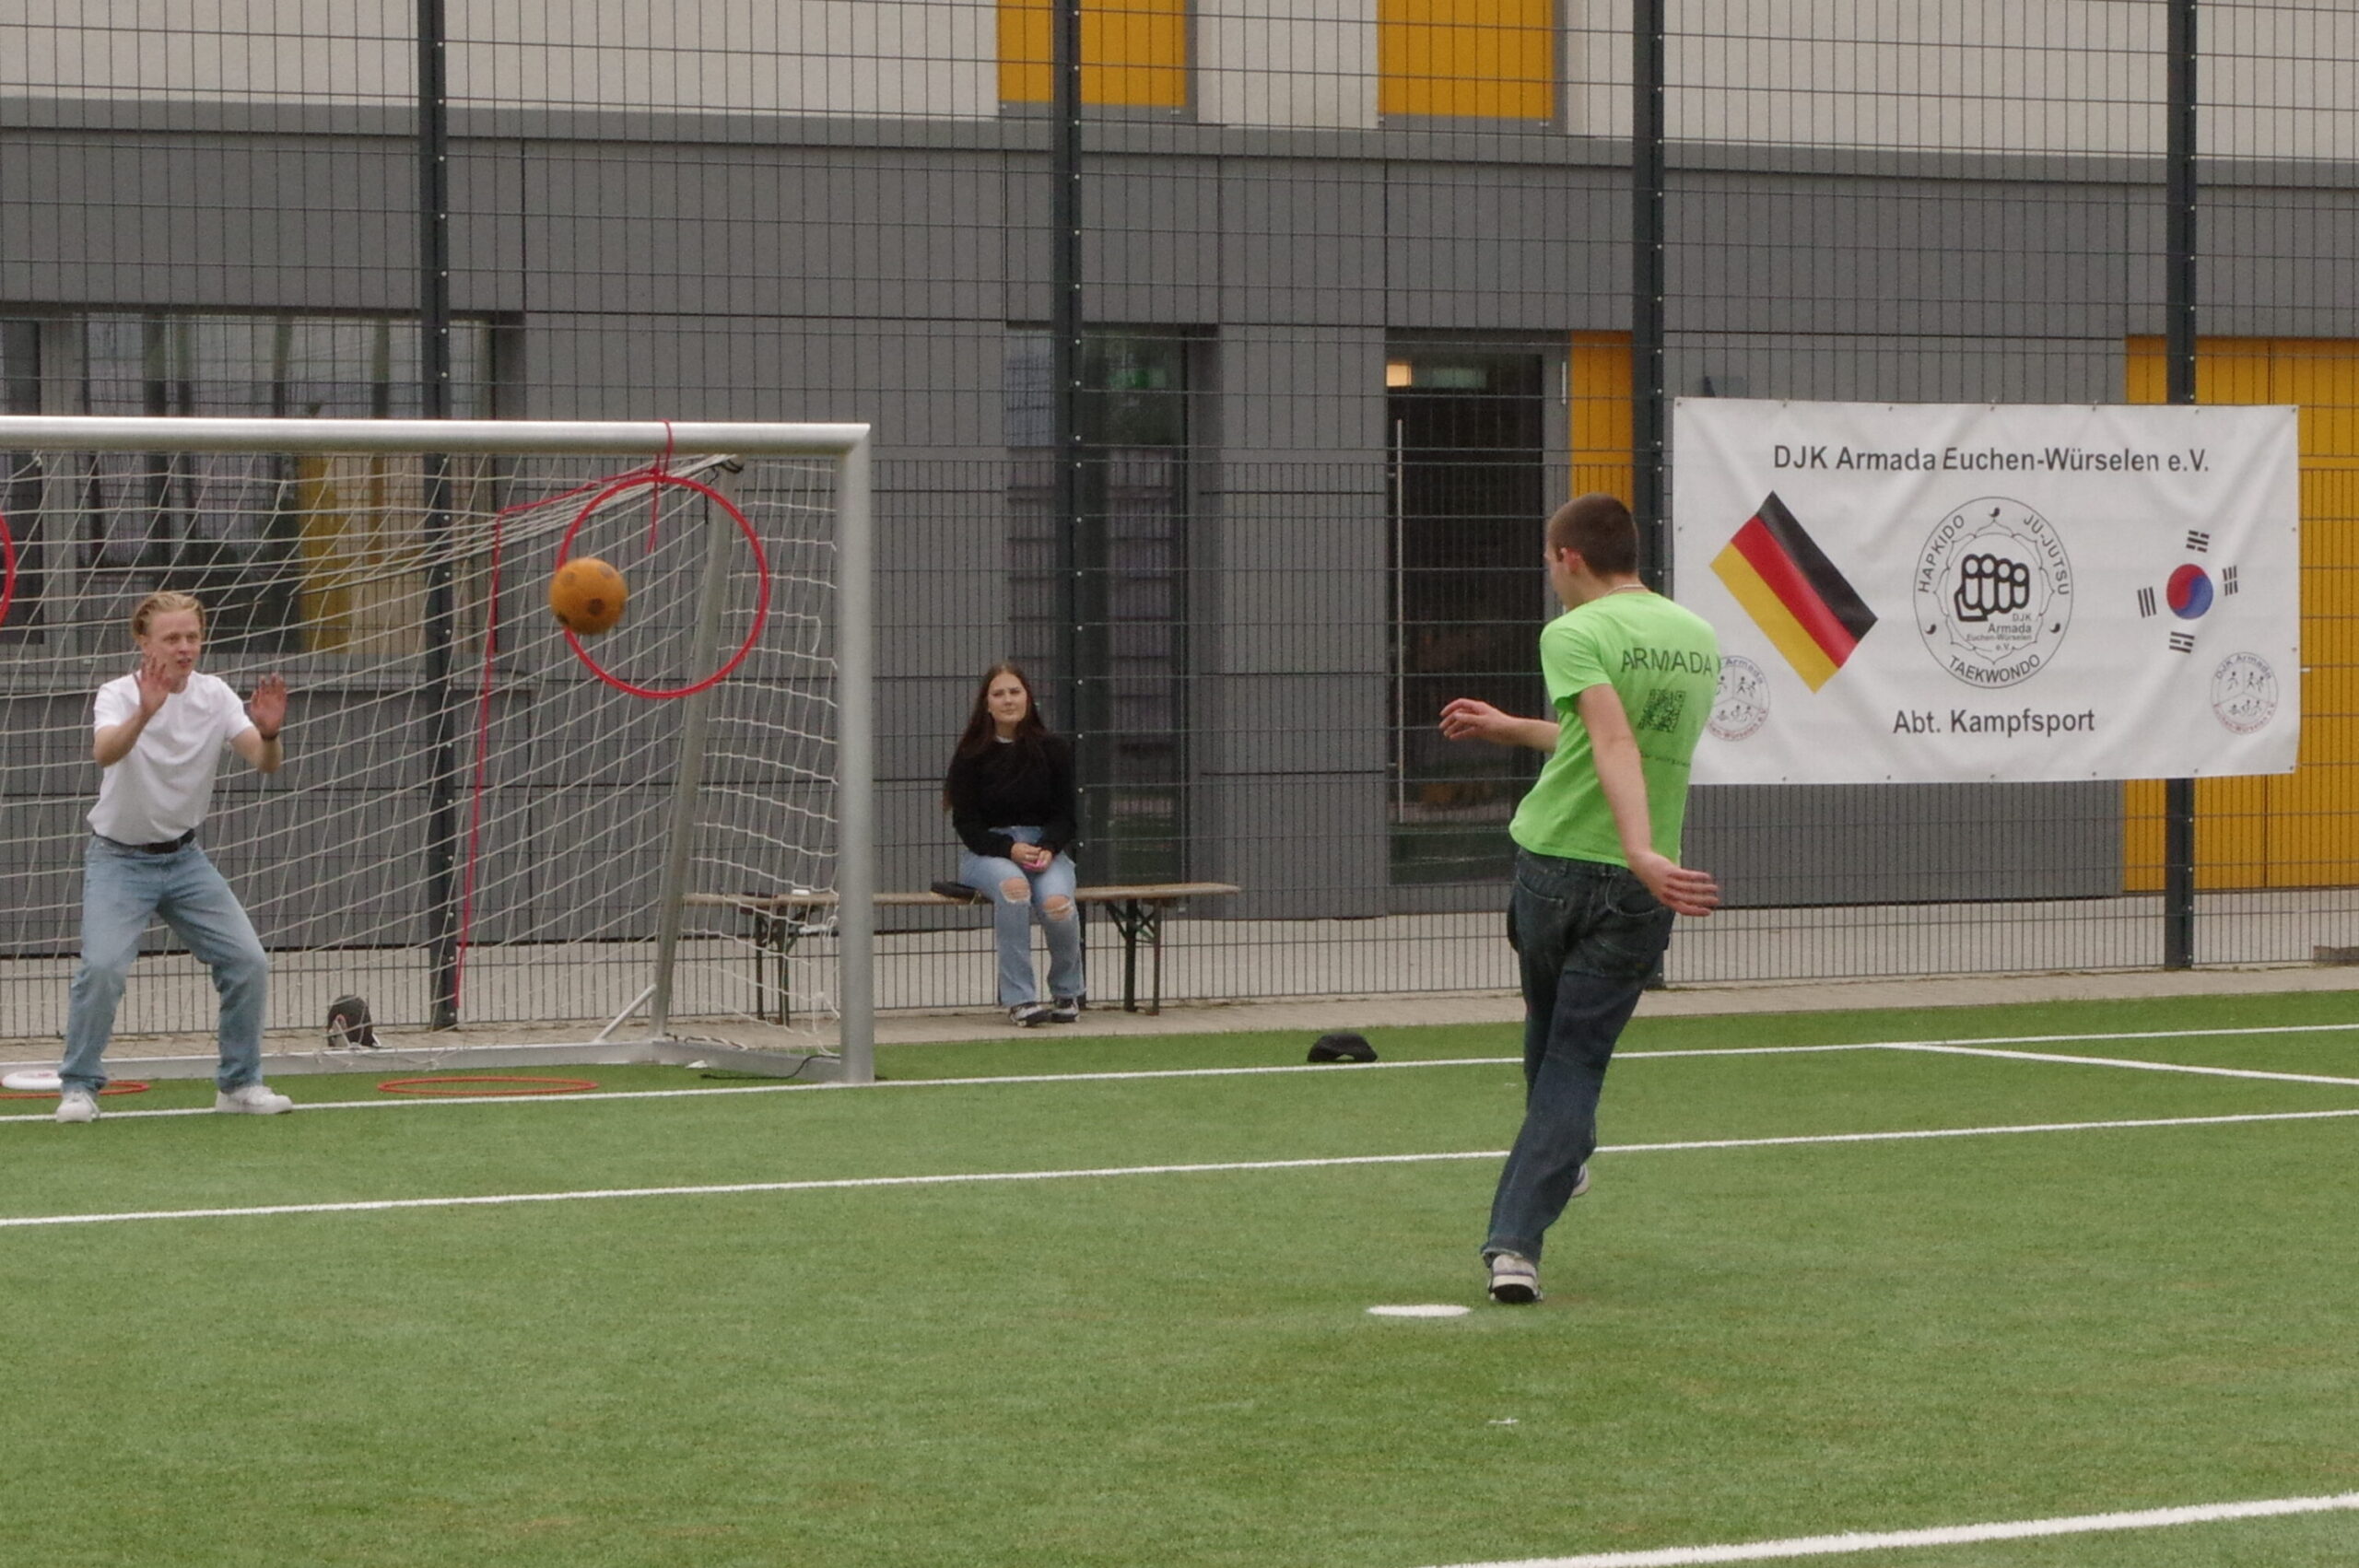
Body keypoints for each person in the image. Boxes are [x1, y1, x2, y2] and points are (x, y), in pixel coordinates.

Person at [1439, 494, 1721, 1304]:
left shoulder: (1572, 632)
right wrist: (1512, 728)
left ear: (1568, 557)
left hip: (1562, 863)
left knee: (1557, 1049)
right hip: (1642, 885)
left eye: (1547, 561)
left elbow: (1613, 739)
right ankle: (1563, 1152)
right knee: (1569, 1051)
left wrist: (1634, 852)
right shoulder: (1695, 636)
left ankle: (1514, 1245)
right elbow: (1611, 734)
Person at [56, 591, 295, 1123]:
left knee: (247, 962)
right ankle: (78, 1087)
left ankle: (239, 1084)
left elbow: (264, 762)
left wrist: (271, 731)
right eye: (172, 638)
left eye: (192, 636)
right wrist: (146, 713)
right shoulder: (117, 694)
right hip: (119, 859)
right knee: (102, 969)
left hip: (184, 861)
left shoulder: (214, 695)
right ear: (144, 642)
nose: (185, 648)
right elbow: (105, 753)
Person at [943, 662, 1086, 1026]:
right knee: (1014, 888)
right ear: (986, 704)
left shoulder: (1054, 749)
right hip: (988, 854)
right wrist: (1009, 849)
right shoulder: (970, 755)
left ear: (1028, 698)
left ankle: (1067, 992)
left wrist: (1049, 846)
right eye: (999, 693)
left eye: (1015, 692)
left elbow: (1067, 816)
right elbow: (967, 825)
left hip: (1044, 848)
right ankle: (1021, 1000)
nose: (1008, 700)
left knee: (1056, 905)